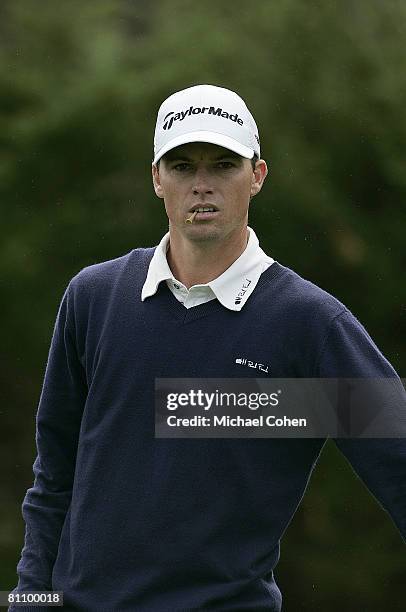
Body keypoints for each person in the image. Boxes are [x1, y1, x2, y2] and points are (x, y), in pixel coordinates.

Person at [10, 85, 405, 612]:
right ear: (156, 178)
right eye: (182, 166)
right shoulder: (94, 299)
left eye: (223, 165)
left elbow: (397, 458)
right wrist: (31, 600)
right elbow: (55, 476)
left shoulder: (308, 324)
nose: (202, 186)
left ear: (257, 175)